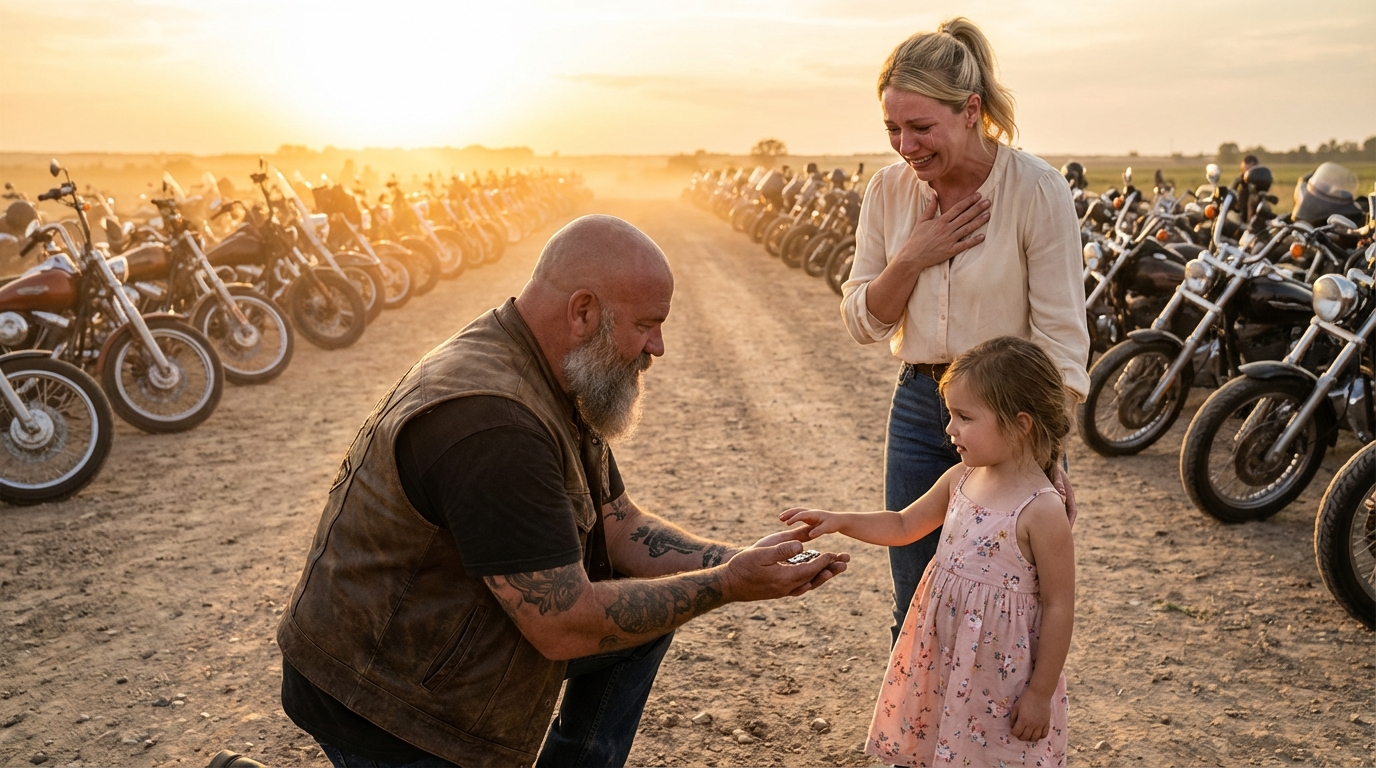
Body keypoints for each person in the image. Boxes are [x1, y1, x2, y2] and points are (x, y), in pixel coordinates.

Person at [275, 214, 849, 768]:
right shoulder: (495, 425)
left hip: (434, 655)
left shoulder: (553, 365)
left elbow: (619, 524)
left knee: (648, 602)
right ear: (583, 311)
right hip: (387, 700)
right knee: (641, 606)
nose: (658, 347)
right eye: (647, 324)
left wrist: (743, 560)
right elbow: (563, 623)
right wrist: (727, 584)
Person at [839, 17, 1089, 645]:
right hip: (922, 409)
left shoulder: (1037, 190)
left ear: (971, 109)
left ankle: (988, 745)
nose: (905, 146)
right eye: (893, 128)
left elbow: (1061, 340)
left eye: (921, 127)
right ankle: (913, 746)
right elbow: (863, 321)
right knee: (917, 607)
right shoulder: (889, 192)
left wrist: (1047, 448)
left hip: (1014, 421)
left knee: (1004, 614)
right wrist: (913, 256)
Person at [780, 336, 1075, 767]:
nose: (949, 428)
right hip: (946, 661)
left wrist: (1040, 693)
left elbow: (1059, 606)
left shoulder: (1042, 510)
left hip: (1002, 678)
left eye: (964, 417)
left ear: (1021, 423)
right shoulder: (961, 477)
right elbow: (902, 525)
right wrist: (840, 520)